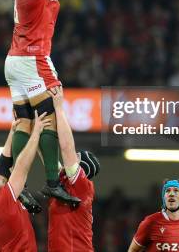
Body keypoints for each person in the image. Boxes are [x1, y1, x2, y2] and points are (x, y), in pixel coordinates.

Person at [5, 0, 106, 205]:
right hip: (33, 59)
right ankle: (52, 180)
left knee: (24, 121)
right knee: (48, 117)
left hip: (17, 60)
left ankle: (16, 182)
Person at [0, 112, 50, 252]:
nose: (0, 176)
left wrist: (12, 130)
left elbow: (3, 165)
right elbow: (22, 166)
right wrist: (36, 132)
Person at [47, 86, 100, 251]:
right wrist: (38, 124)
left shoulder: (82, 186)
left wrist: (59, 108)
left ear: (82, 168)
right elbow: (47, 154)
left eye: (76, 156)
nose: (70, 158)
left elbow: (66, 147)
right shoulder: (66, 184)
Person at [127, 180, 179, 252]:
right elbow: (133, 250)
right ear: (164, 197)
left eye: (176, 190)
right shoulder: (150, 222)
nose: (171, 194)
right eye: (167, 191)